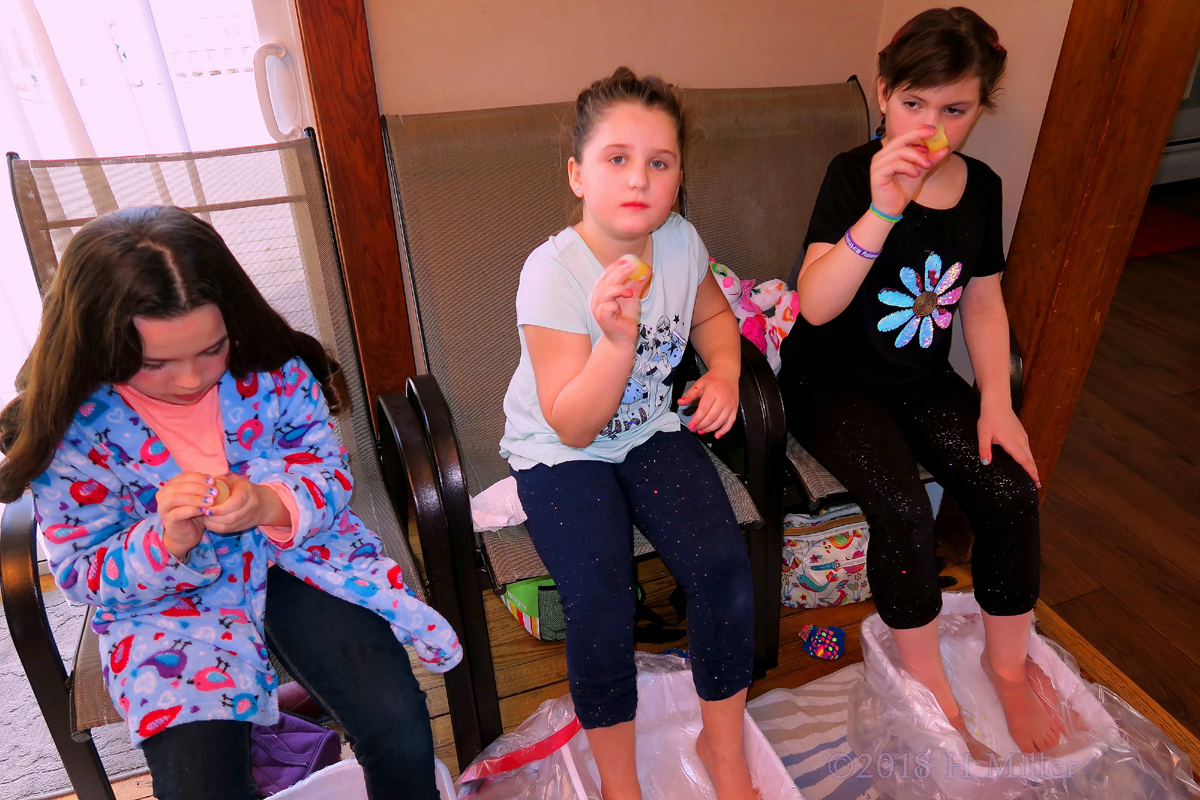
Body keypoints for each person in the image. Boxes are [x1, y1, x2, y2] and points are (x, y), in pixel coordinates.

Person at [0, 207, 459, 800]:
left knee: (397, 726)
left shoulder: (273, 372)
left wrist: (269, 503)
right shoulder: (72, 426)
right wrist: (163, 542)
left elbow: (328, 473)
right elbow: (81, 570)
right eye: (155, 363)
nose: (191, 379)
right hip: (165, 602)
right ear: (98, 344)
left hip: (301, 558)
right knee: (200, 785)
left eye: (211, 350)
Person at [779, 8, 1062, 756]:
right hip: (829, 382)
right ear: (882, 95)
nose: (930, 128)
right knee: (901, 506)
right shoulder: (852, 174)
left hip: (918, 379)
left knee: (1011, 489)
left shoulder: (982, 188)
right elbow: (814, 303)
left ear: (978, 109)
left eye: (954, 110)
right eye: (913, 104)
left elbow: (983, 300)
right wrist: (882, 209)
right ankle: (926, 672)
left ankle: (1007, 665)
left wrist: (998, 405)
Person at [498, 67, 757, 800]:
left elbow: (712, 317)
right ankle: (620, 779)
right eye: (617, 158)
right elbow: (574, 424)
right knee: (603, 598)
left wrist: (727, 373)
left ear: (678, 176)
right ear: (578, 174)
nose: (639, 178)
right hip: (560, 451)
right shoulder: (550, 273)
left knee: (722, 567)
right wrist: (616, 341)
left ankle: (723, 746)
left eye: (660, 161)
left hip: (648, 429)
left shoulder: (678, 241)